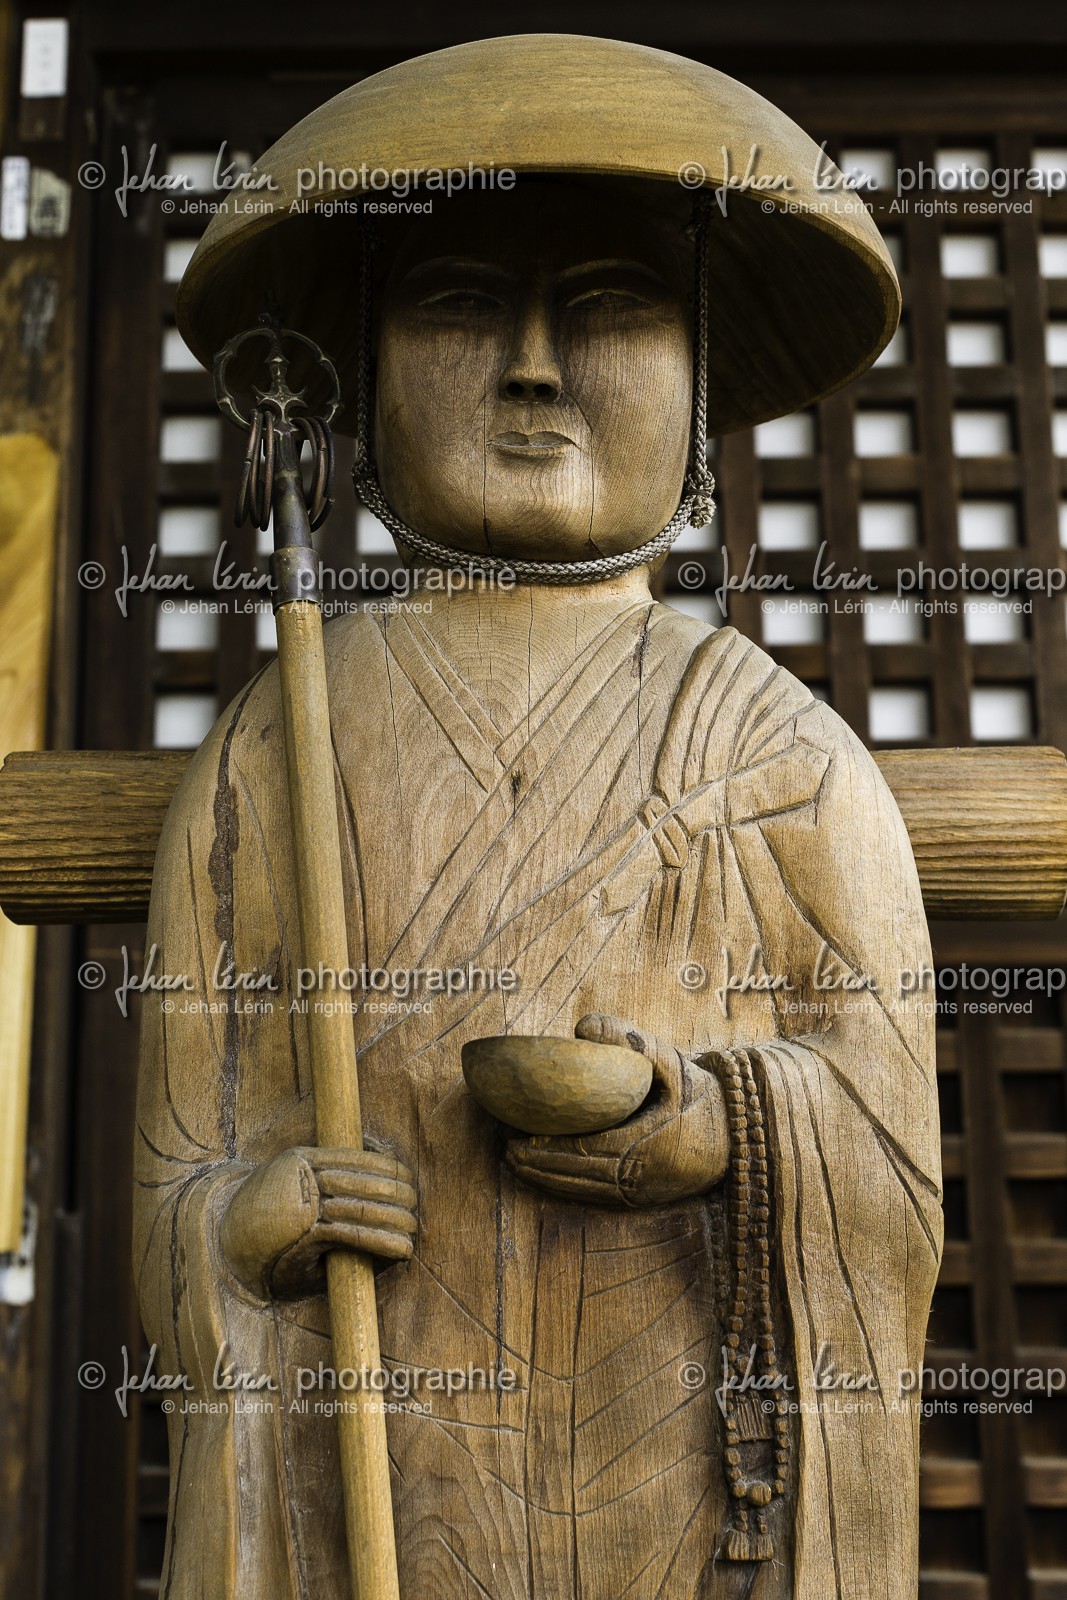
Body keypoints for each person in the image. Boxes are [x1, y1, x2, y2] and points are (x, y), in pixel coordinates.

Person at [136, 35, 941, 1599]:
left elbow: (892, 1162)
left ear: (699, 381)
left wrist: (723, 1125)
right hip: (373, 1478)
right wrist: (251, 1222)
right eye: (453, 303)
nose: (531, 363)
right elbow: (181, 1149)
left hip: (681, 1488)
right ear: (367, 372)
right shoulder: (267, 756)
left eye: (608, 307)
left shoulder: (782, 750)